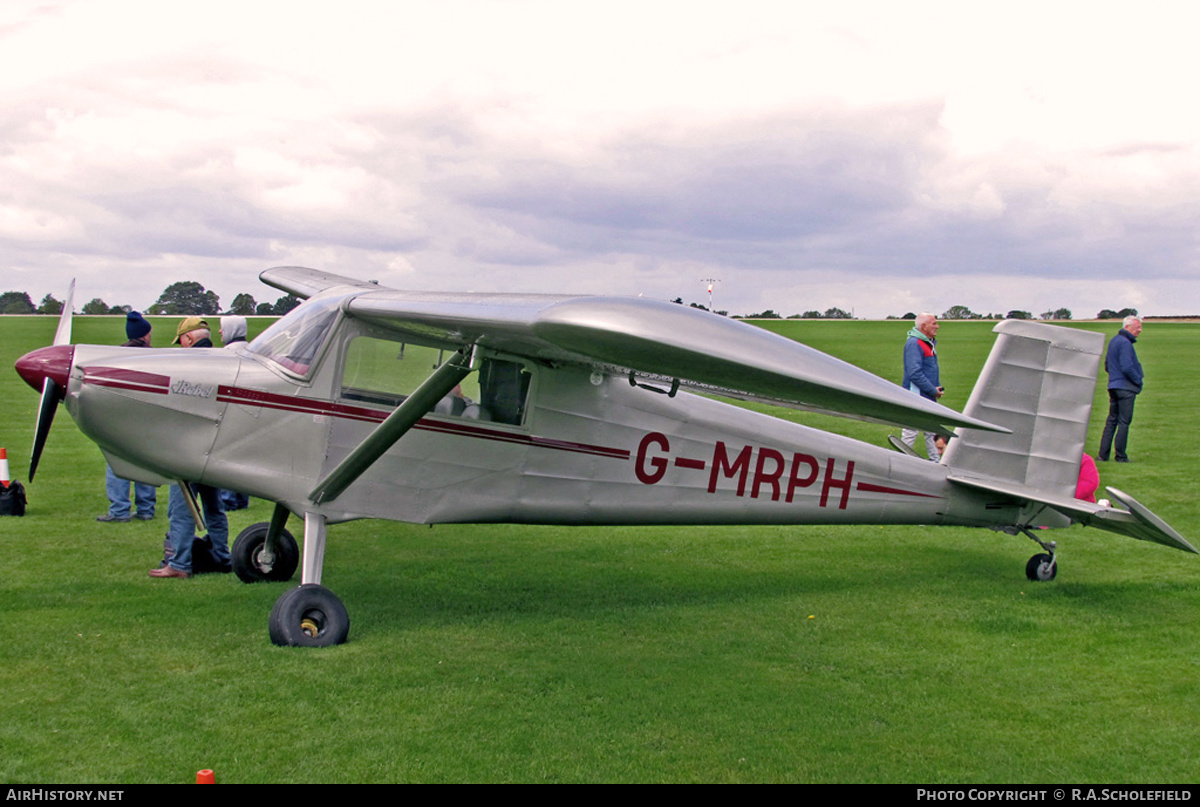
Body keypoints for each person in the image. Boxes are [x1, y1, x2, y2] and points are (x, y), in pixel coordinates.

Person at [150, 317, 231, 578]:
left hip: (188, 449)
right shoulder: (223, 360)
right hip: (216, 446)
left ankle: (180, 564)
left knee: (181, 509)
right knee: (213, 506)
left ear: (187, 339)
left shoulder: (186, 365)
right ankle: (221, 556)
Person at [97, 311, 158, 523]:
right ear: (144, 335)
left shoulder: (118, 358)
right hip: (147, 419)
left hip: (123, 418)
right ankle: (146, 509)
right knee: (145, 463)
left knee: (117, 461)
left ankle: (119, 510)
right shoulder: (155, 357)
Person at [1098, 316, 1144, 463]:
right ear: (1128, 327)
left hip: (1113, 386)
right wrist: (1137, 380)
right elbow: (1127, 366)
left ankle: (1103, 455)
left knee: (1111, 420)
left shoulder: (1114, 341)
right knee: (1124, 422)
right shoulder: (1125, 344)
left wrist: (1114, 377)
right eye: (1137, 328)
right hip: (1126, 388)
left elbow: (1107, 365)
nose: (1139, 330)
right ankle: (1121, 456)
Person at [901, 313, 944, 461]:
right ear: (924, 326)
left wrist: (936, 389)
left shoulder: (927, 343)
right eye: (934, 323)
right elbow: (914, 373)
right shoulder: (915, 344)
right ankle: (901, 461)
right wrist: (933, 390)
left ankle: (936, 462)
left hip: (927, 395)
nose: (937, 326)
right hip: (917, 396)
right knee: (911, 432)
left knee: (931, 431)